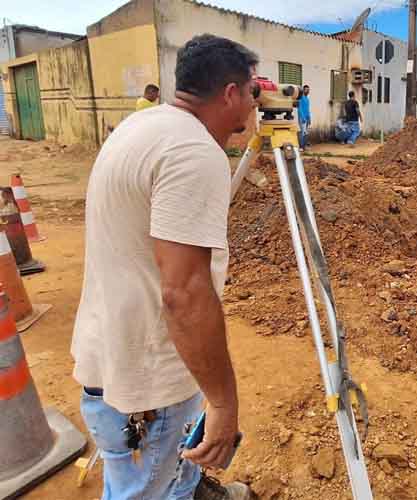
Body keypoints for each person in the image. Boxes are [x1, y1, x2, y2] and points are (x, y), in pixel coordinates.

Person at [72, 34, 258, 500]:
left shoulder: (143, 127)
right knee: (144, 491)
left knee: (151, 478)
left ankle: (187, 486)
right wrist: (223, 403)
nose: (254, 105)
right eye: (251, 92)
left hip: (110, 357)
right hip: (147, 386)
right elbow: (185, 292)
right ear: (231, 93)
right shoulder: (195, 153)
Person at [297, 84, 311, 151]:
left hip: (307, 118)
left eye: (308, 90)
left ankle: (304, 146)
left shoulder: (307, 99)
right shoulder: (301, 98)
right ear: (303, 90)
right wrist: (303, 118)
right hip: (302, 118)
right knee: (302, 132)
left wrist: (309, 118)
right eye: (306, 90)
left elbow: (308, 109)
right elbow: (299, 109)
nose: (307, 91)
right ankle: (301, 147)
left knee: (306, 133)